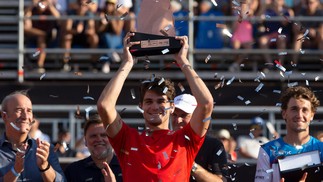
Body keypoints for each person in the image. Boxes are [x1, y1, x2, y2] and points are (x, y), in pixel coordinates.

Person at [97, 32, 214, 181]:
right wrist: (127, 64)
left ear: (172, 107)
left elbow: (206, 104)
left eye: (161, 101)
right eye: (148, 101)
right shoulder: (127, 139)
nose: (154, 106)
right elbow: (104, 106)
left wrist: (183, 61)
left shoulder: (185, 139)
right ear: (141, 106)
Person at [255, 86, 323, 182]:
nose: (299, 115)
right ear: (284, 113)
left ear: (312, 115)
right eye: (294, 109)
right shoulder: (268, 150)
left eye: (305, 110)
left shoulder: (322, 150)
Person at [0, 90, 65, 181]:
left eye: (29, 111)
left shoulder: (46, 150)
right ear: (4, 116)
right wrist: (15, 171)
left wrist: (44, 166)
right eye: (19, 110)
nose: (26, 116)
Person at [171, 93, 228, 181]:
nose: (178, 120)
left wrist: (191, 165)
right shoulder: (163, 141)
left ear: (196, 117)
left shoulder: (212, 145)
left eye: (184, 115)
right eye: (174, 115)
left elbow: (220, 180)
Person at [64, 115, 122, 182]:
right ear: (85, 141)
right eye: (93, 136)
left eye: (104, 135)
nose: (99, 139)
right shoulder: (73, 171)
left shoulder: (129, 168)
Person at [24, 0, 61, 73]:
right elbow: (26, 25)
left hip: (49, 37)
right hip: (34, 36)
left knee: (42, 39)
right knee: (41, 38)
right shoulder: (32, 10)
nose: (41, 4)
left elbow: (59, 19)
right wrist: (32, 5)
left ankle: (39, 65)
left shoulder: (50, 10)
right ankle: (39, 65)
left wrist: (49, 5)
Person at [62, 0, 99, 72]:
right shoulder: (71, 13)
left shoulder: (89, 14)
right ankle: (65, 64)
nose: (82, 7)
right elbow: (67, 29)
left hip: (85, 37)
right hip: (74, 37)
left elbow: (92, 30)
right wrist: (76, 31)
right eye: (80, 4)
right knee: (67, 37)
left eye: (84, 5)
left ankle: (94, 65)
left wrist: (87, 31)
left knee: (94, 38)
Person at [97, 0, 124, 73]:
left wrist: (112, 20)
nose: (109, 6)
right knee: (106, 36)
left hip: (116, 39)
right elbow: (98, 31)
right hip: (105, 40)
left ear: (114, 5)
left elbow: (118, 32)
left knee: (108, 39)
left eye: (111, 4)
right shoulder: (101, 14)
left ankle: (106, 62)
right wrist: (103, 23)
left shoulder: (119, 15)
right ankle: (111, 53)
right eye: (107, 4)